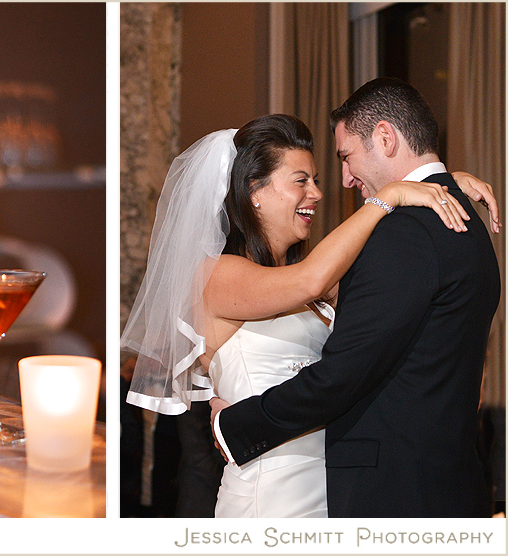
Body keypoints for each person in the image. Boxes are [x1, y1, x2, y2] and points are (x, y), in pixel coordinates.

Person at [211, 78, 502, 517]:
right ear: (253, 192)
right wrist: (410, 190)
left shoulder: (403, 236)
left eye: (345, 158)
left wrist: (235, 427)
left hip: (390, 491)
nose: (339, 184)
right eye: (301, 180)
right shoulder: (455, 224)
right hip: (286, 492)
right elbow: (315, 279)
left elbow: (343, 372)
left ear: (385, 138)